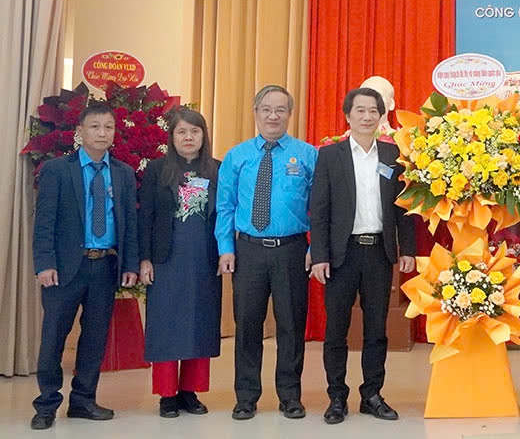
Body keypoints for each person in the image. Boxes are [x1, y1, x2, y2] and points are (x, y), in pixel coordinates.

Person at [309, 87, 417, 424]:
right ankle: (336, 397)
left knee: (376, 329)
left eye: (373, 111)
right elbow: (319, 210)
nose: (367, 117)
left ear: (382, 116)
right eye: (360, 110)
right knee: (336, 330)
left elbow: (404, 206)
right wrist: (319, 255)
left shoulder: (393, 155)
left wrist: (407, 248)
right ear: (348, 115)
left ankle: (372, 394)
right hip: (341, 255)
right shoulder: (330, 155)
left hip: (379, 253)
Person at [30, 102, 139, 430]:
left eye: (108, 127)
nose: (102, 133)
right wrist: (44, 263)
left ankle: (83, 400)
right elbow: (44, 221)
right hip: (64, 268)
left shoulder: (123, 173)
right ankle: (46, 404)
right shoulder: (57, 170)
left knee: (94, 338)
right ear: (79, 132)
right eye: (94, 126)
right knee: (53, 337)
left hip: (104, 267)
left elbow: (129, 224)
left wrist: (130, 264)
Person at [215, 85, 317, 421]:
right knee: (247, 325)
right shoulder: (237, 156)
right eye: (266, 110)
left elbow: (320, 207)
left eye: (280, 110)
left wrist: (315, 247)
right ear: (256, 112)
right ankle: (246, 397)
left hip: (292, 250)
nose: (273, 116)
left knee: (291, 325)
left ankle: (290, 396)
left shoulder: (307, 155)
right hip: (248, 251)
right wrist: (225, 248)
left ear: (290, 114)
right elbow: (225, 206)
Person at [138, 108, 221, 418]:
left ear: (203, 136)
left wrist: (226, 252)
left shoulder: (217, 169)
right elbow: (145, 215)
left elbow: (226, 213)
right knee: (166, 325)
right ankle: (167, 395)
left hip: (204, 259)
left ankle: (190, 391)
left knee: (200, 323)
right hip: (166, 260)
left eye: (195, 131)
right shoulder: (157, 169)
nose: (188, 137)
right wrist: (144, 258)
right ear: (172, 137)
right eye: (182, 131)